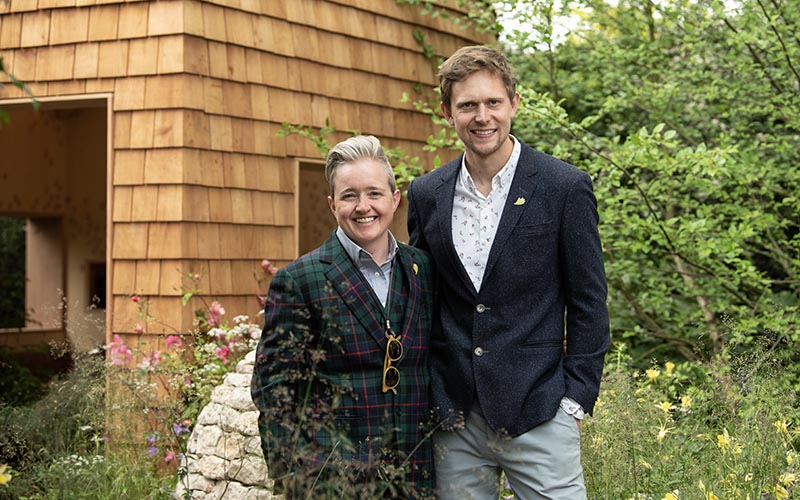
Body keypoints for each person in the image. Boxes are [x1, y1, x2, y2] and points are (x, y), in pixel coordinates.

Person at [406, 45, 610, 500]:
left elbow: (589, 301)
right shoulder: (426, 194)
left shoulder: (564, 187)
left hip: (540, 412)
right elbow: (424, 301)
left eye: (493, 102)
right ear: (447, 112)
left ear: (514, 102)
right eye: (468, 105)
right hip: (456, 421)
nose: (482, 117)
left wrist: (575, 400)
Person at [251, 135, 435, 499]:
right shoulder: (299, 281)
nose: (363, 206)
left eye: (374, 193)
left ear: (395, 199)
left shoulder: (423, 269)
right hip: (333, 482)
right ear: (333, 205)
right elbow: (274, 390)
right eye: (350, 196)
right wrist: (296, 478)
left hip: (417, 476)